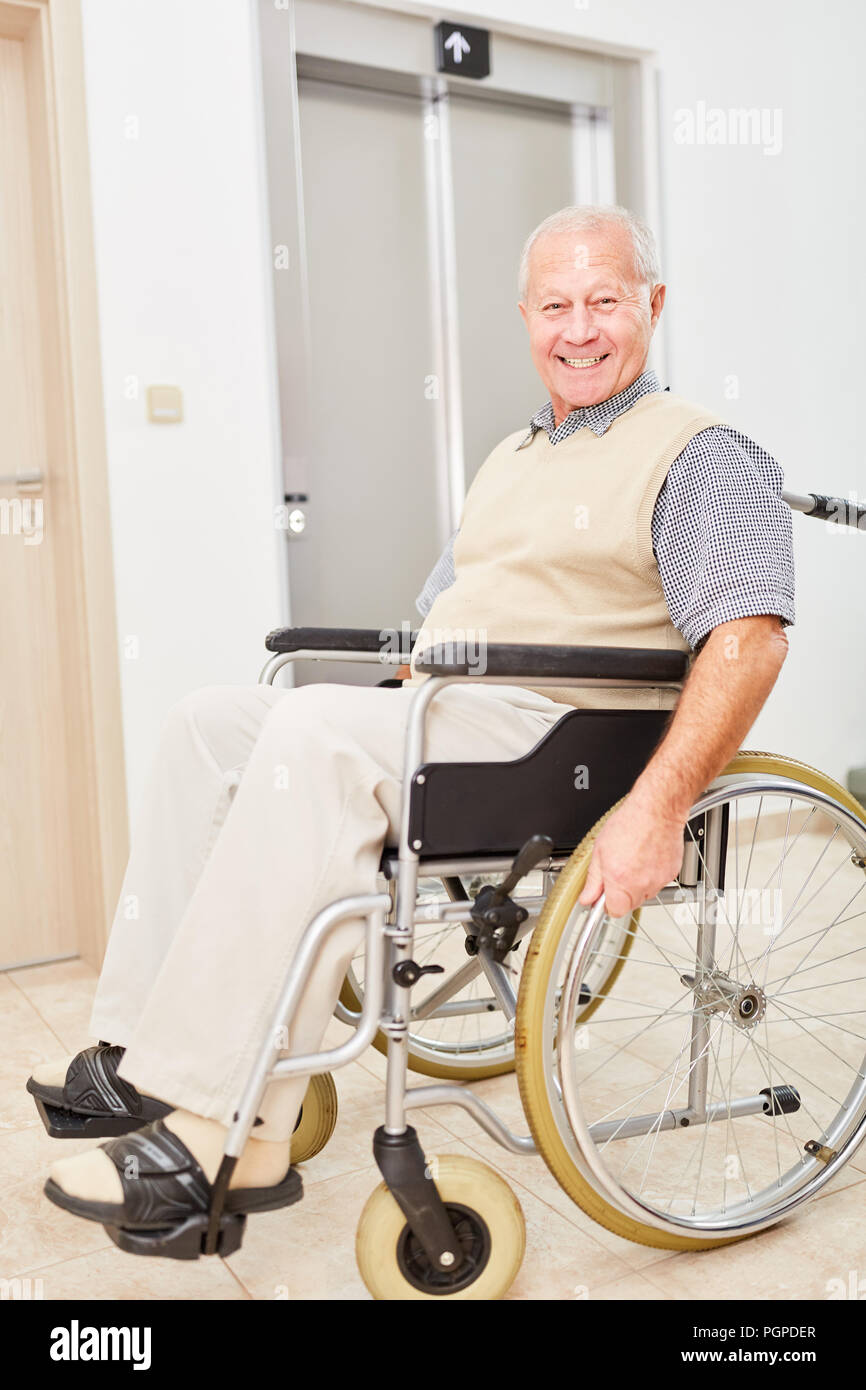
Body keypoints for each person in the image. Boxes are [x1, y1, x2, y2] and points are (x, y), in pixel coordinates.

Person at [27, 204, 794, 1240]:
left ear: (650, 306)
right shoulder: (512, 455)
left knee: (315, 745)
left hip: (564, 736)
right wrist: (377, 701)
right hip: (457, 711)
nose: (578, 328)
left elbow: (746, 640)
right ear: (525, 315)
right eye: (555, 304)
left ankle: (230, 1131)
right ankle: (137, 1052)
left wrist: (659, 804)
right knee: (211, 723)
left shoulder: (699, 452)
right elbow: (443, 619)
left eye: (604, 301)